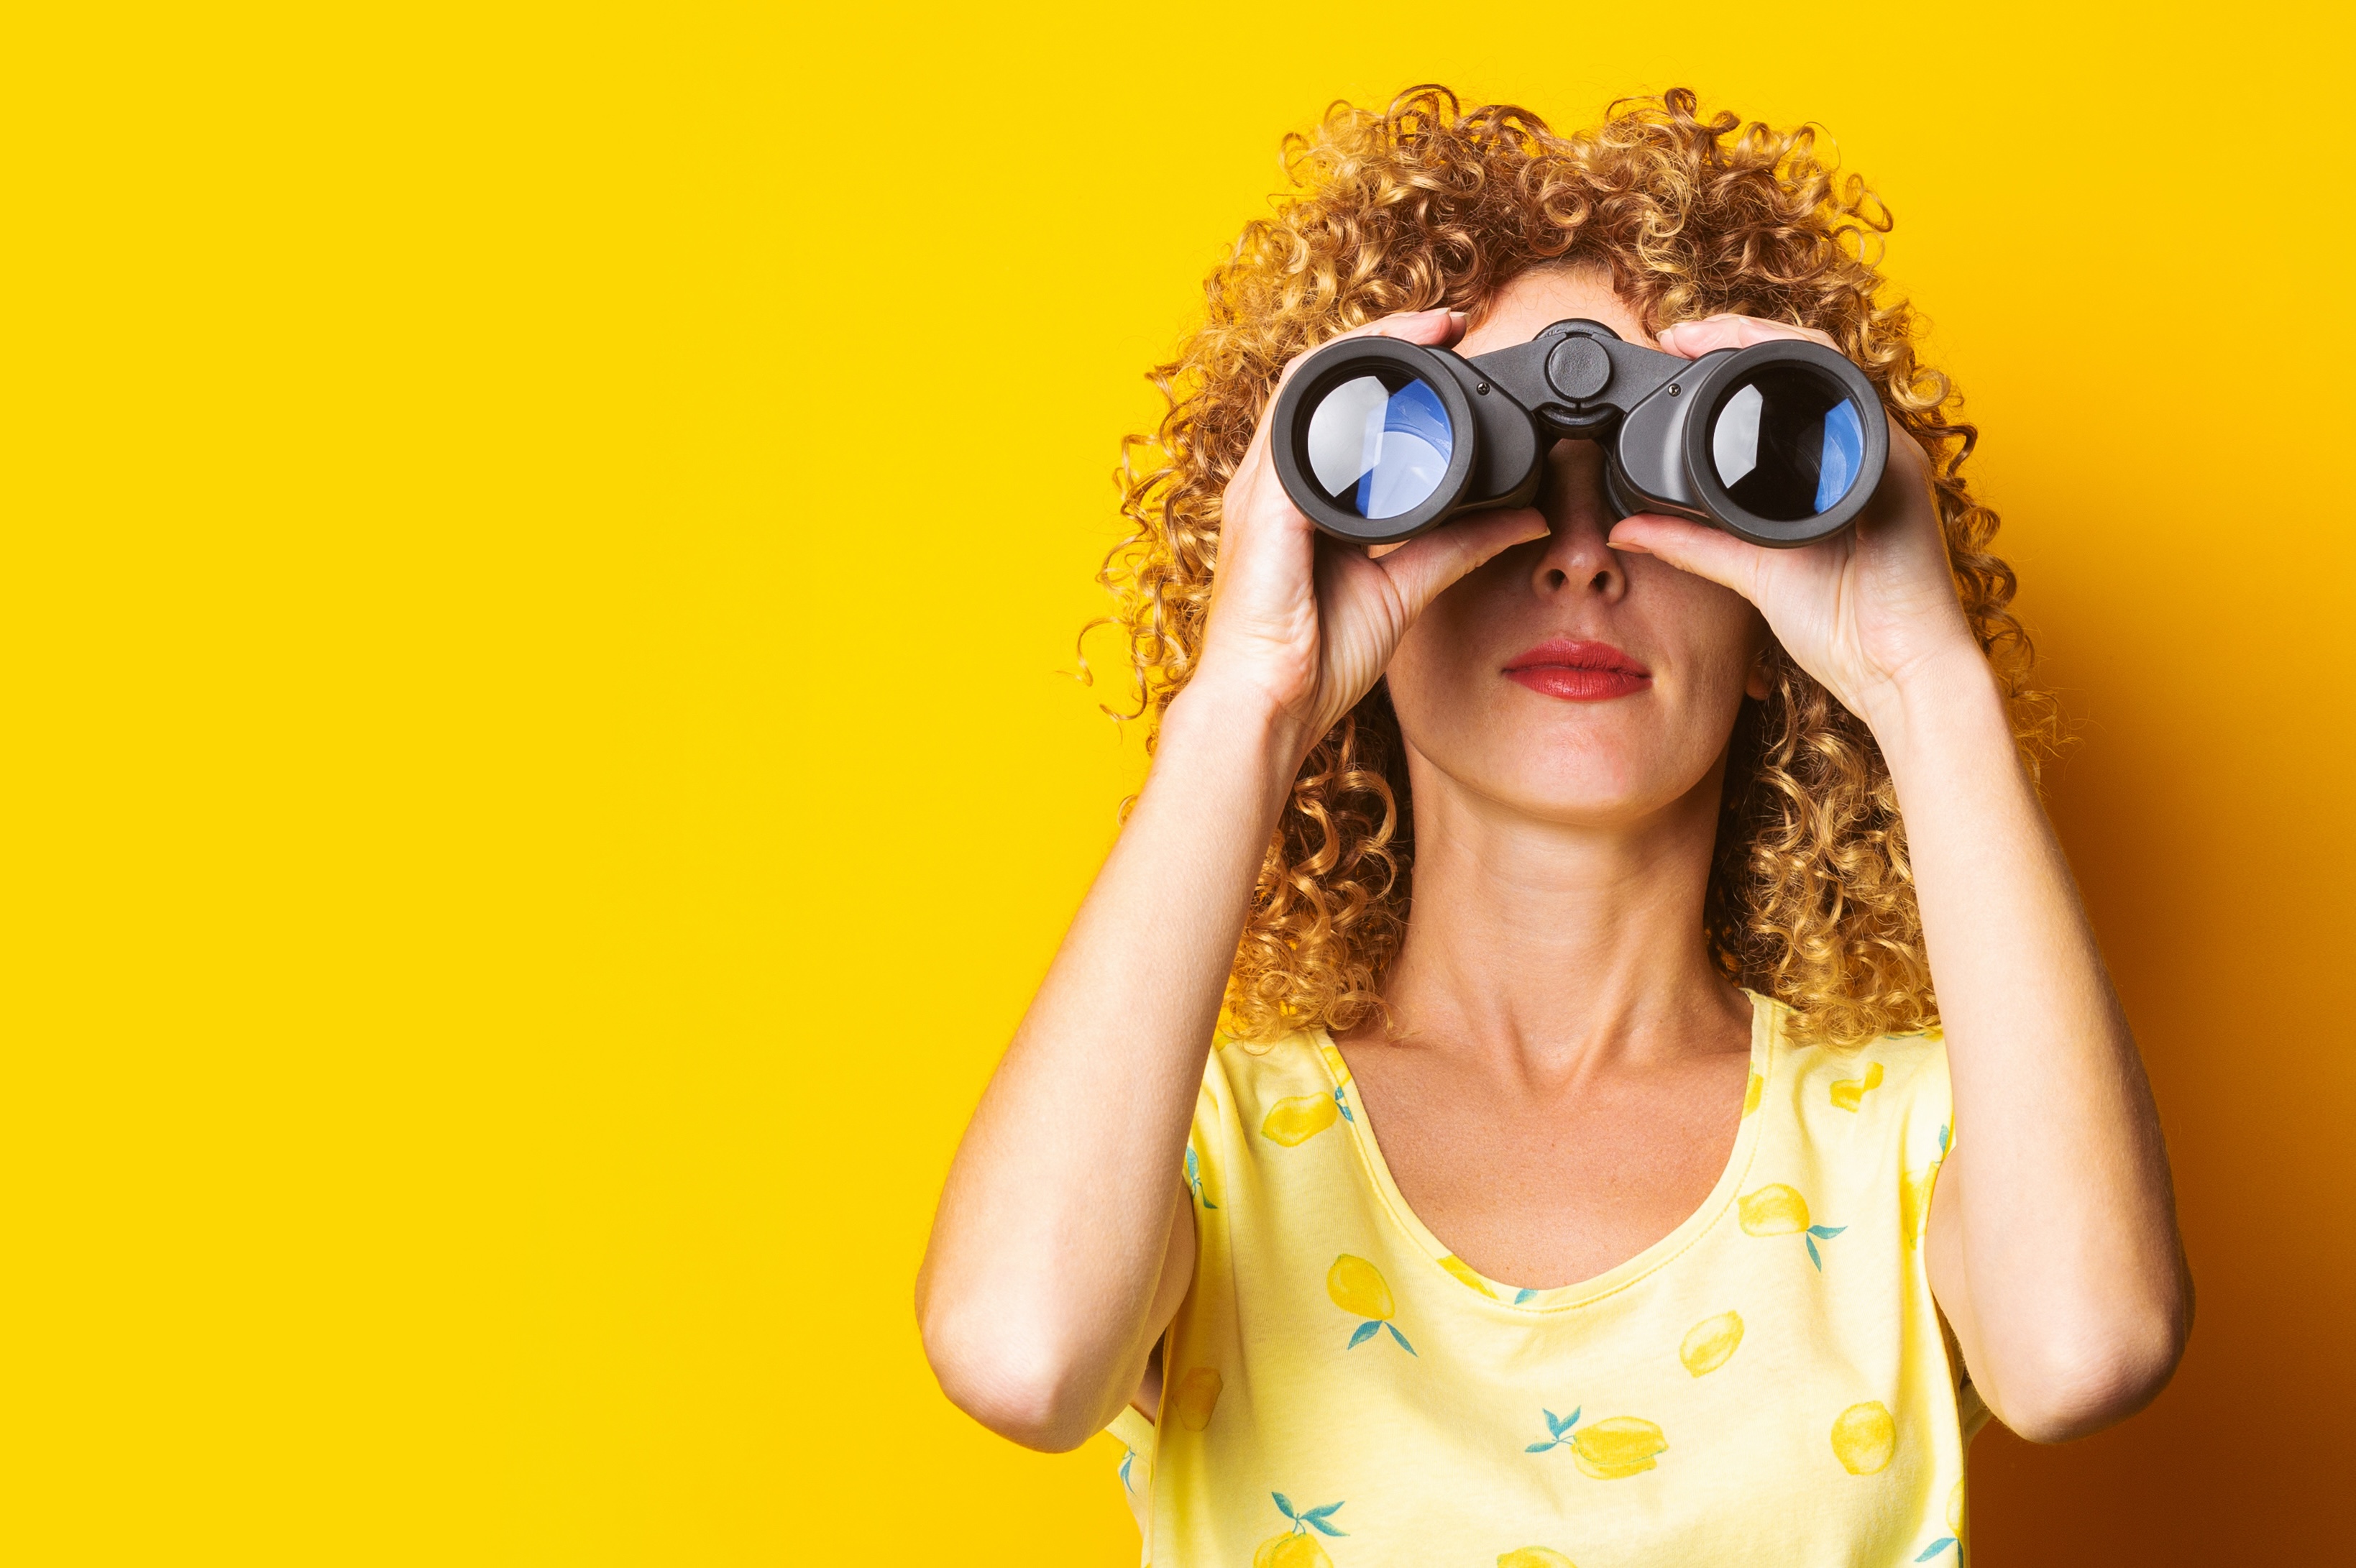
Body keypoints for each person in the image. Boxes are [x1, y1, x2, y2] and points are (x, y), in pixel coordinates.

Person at [915, 86, 2190, 1566]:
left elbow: (2086, 1346)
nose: (1581, 555)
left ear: (1780, 560)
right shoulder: (1201, 1142)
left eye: (1667, 484)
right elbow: (1018, 1352)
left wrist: (1925, 673)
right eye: (1498, 480)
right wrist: (1250, 693)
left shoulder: (1904, 1140)